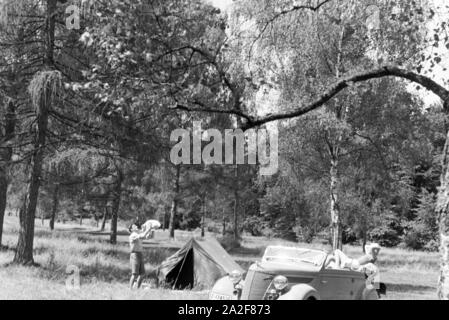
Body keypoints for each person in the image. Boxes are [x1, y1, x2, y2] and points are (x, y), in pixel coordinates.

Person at [129, 223, 153, 289]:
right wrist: (147, 229)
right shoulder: (133, 235)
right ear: (131, 229)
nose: (136, 226)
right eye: (134, 226)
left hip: (140, 254)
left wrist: (152, 230)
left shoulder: (138, 234)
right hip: (134, 255)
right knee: (134, 274)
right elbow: (143, 235)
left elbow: (148, 237)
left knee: (142, 274)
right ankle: (130, 289)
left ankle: (137, 288)